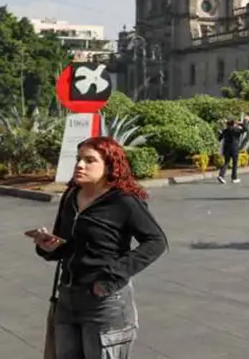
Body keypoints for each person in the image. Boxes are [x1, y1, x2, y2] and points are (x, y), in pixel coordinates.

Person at [32, 137, 168, 359]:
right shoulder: (71, 196)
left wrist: (110, 277)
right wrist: (48, 247)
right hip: (67, 298)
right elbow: (66, 244)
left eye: (90, 160)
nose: (80, 165)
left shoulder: (123, 201)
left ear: (110, 166)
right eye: (78, 159)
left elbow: (156, 241)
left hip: (104, 302)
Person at [216, 118, 245, 184]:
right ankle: (234, 178)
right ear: (234, 124)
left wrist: (221, 134)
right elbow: (246, 129)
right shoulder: (236, 130)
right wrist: (240, 123)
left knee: (226, 162)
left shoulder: (225, 130)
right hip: (234, 149)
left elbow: (219, 138)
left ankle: (221, 175)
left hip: (226, 149)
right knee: (235, 163)